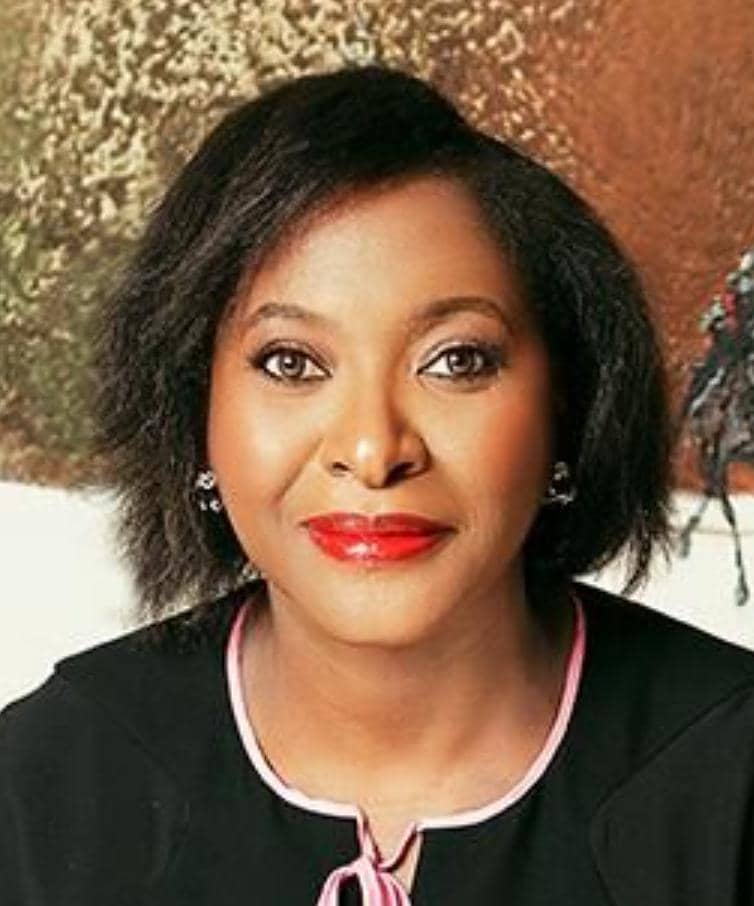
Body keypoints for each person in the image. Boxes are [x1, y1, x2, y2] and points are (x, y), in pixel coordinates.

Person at [1, 64, 753, 906]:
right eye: (291, 363)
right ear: (193, 405)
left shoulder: (732, 779)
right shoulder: (50, 781)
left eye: (455, 360)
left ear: (567, 404)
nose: (371, 450)